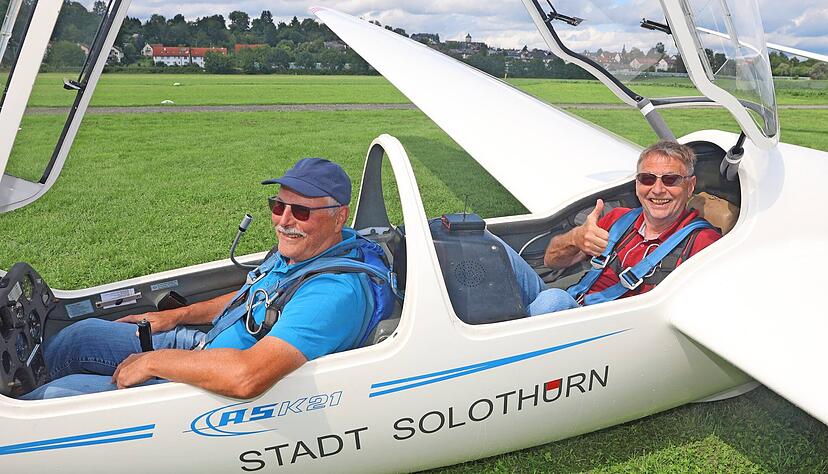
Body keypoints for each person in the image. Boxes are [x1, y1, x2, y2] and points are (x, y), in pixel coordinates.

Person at [23, 158, 392, 400]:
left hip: (221, 378)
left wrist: (155, 361)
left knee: (53, 398)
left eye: (300, 211)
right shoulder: (309, 250)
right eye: (278, 206)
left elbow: (246, 378)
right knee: (77, 337)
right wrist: (177, 316)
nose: (284, 220)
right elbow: (256, 297)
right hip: (206, 345)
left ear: (339, 216)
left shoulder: (332, 294)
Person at [516, 140, 722, 315]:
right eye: (647, 179)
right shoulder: (618, 220)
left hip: (608, 333)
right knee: (491, 246)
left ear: (690, 186)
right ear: (637, 184)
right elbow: (551, 260)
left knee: (552, 301)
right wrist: (575, 238)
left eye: (671, 180)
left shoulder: (703, 243)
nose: (658, 190)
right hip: (574, 302)